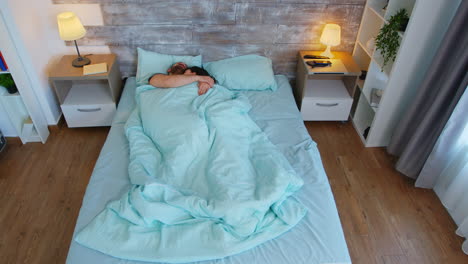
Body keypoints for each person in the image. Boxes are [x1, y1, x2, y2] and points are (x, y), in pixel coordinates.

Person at [149, 62, 216, 95]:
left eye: (186, 68)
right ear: (169, 70)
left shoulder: (199, 79)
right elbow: (165, 81)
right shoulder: (158, 77)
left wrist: (206, 83)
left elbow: (210, 81)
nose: (182, 64)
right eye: (178, 64)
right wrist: (199, 78)